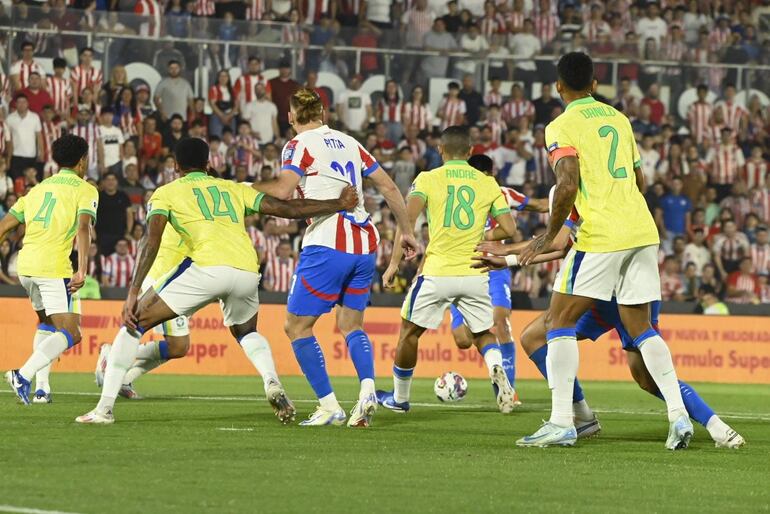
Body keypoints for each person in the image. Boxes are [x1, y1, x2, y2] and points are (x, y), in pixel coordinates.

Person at [76, 137, 359, 424]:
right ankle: (271, 381)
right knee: (246, 332)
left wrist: (133, 293)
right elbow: (288, 210)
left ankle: (104, 410)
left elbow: (151, 239)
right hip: (247, 271)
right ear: (209, 164)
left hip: (206, 268)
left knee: (134, 322)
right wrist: (339, 203)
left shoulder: (165, 193)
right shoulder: (232, 188)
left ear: (175, 166)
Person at [516, 52, 691, 450]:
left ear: (559, 86)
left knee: (556, 321)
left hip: (601, 233)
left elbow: (567, 183)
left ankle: (563, 422)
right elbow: (639, 179)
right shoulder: (619, 119)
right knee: (641, 328)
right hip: (641, 230)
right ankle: (678, 416)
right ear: (594, 84)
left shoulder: (561, 125)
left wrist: (549, 234)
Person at [255, 89, 417, 427]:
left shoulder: (297, 145)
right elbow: (388, 187)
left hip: (328, 240)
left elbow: (284, 190)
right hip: (364, 242)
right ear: (323, 114)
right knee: (351, 325)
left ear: (290, 117)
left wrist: (243, 188)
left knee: (296, 326)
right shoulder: (350, 142)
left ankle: (329, 405)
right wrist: (408, 233)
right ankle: (368, 391)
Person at [376, 126, 518, 415]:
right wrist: (483, 238)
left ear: (440, 150)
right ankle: (495, 368)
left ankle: (400, 399)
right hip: (475, 272)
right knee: (482, 334)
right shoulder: (488, 183)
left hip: (437, 271)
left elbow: (407, 223)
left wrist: (393, 264)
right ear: (469, 153)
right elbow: (509, 229)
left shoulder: (428, 179)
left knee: (409, 334)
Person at [439, 154, 549, 403]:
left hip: (495, 269)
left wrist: (572, 196)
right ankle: (490, 354)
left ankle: (506, 390)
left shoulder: (502, 194)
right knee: (463, 340)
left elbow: (541, 205)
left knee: (501, 322)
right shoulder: (453, 194)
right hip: (463, 269)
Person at [3, 134, 98, 404]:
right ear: (82, 161)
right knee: (72, 332)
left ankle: (42, 389)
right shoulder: (85, 189)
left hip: (25, 267)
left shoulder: (37, 190)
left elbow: (4, 227)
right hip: (52, 268)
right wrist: (81, 270)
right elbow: (83, 228)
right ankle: (22, 374)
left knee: (46, 323)